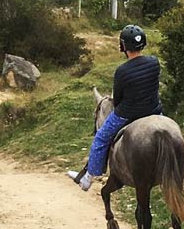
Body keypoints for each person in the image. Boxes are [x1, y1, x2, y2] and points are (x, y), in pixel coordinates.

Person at [67, 24, 162, 191]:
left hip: (128, 114)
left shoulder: (122, 71)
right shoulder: (154, 63)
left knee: (101, 138)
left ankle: (88, 178)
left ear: (123, 46)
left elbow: (117, 99)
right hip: (154, 111)